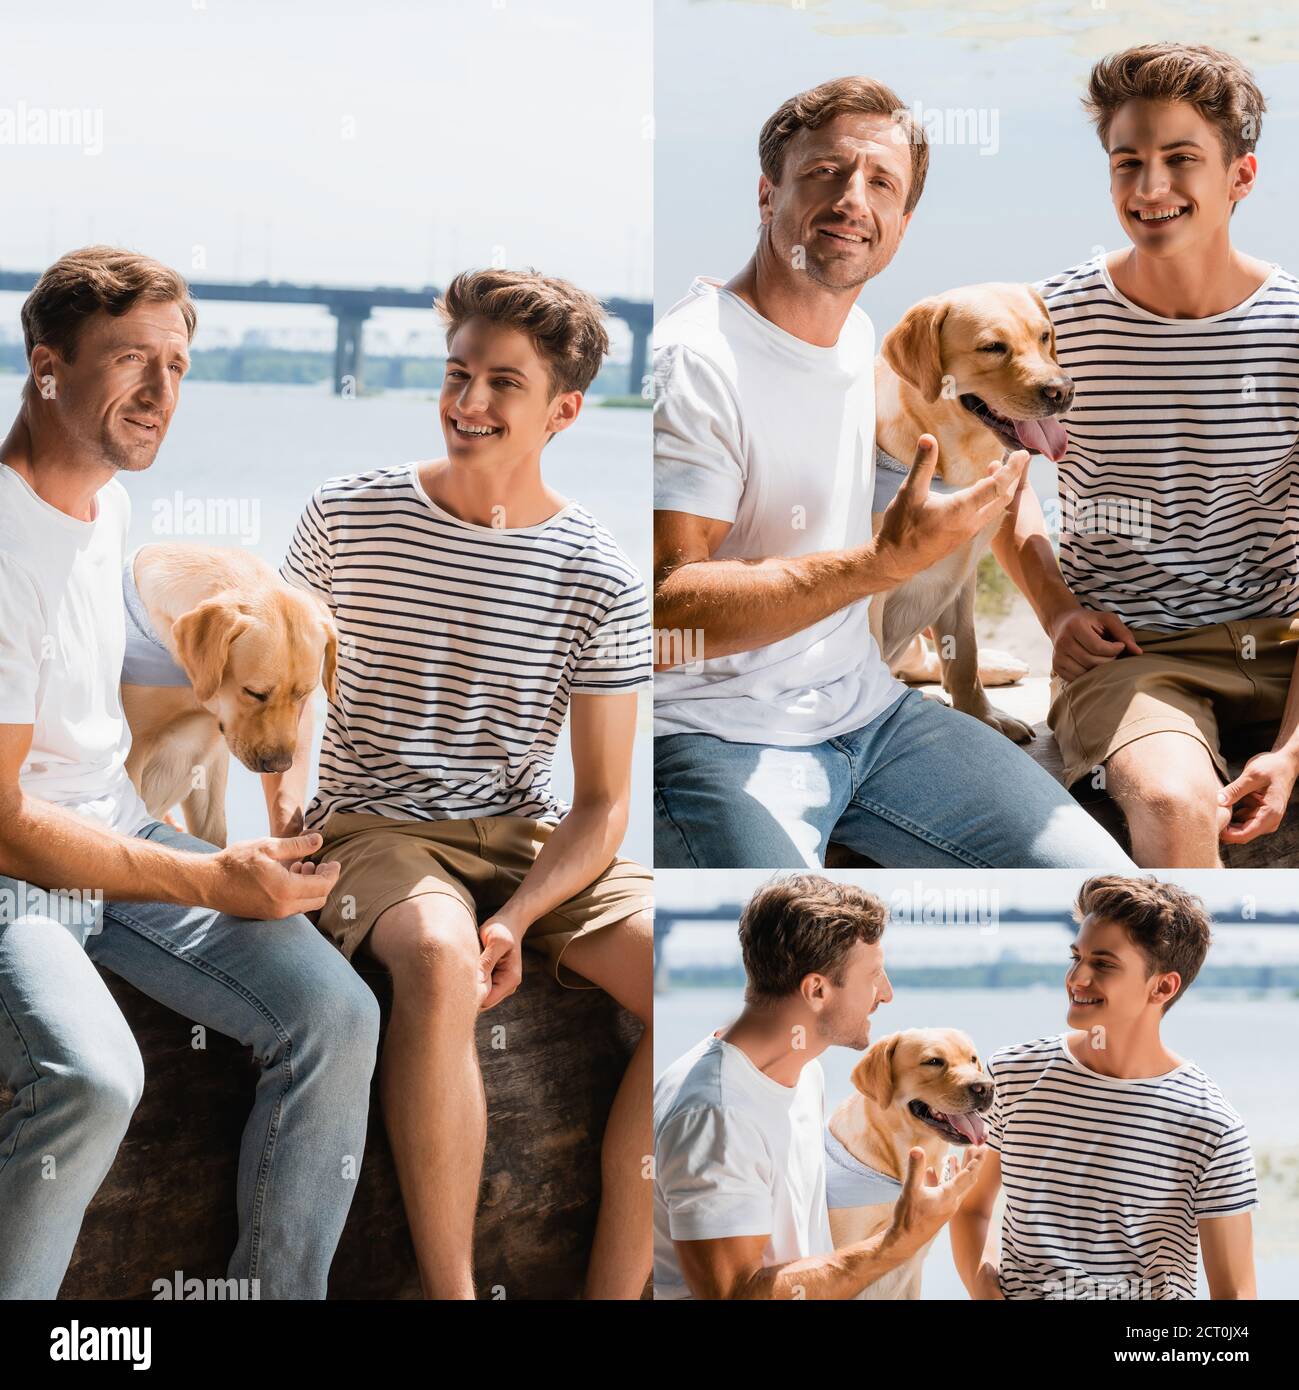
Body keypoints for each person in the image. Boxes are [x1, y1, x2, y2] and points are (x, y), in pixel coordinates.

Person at [0, 246, 379, 1300]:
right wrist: (213, 879)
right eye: (132, 361)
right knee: (91, 1079)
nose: (163, 392)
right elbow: (6, 822)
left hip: (115, 838)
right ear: (46, 368)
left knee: (340, 1016)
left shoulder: (106, 509)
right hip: (16, 874)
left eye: (178, 364)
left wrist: (252, 832)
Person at [272, 268, 654, 1299]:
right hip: (371, 829)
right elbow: (282, 703)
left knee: (698, 974)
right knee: (439, 960)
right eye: (456, 375)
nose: (468, 404)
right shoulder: (344, 517)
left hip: (523, 840)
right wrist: (284, 824)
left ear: (565, 411)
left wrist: (525, 915)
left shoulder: (602, 573)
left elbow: (605, 802)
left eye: (502, 384)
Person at [652, 75, 1135, 871]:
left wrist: (1041, 600)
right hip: (716, 735)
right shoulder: (694, 363)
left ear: (902, 225)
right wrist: (877, 564)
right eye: (824, 173)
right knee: (780, 955)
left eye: (881, 183)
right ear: (767, 192)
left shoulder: (862, 338)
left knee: (1107, 893)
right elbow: (666, 611)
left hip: (875, 713)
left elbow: (942, 501)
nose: (852, 199)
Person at [994, 43, 1299, 867]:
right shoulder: (1048, 320)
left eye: (1180, 160)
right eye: (1127, 162)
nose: (1149, 187)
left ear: (1240, 177)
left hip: (1283, 647)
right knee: (1168, 800)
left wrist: (1291, 748)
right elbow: (998, 479)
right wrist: (1054, 607)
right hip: (1136, 660)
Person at [653, 873, 985, 1299]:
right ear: (816, 990)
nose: (886, 994)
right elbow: (735, 1294)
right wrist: (898, 1240)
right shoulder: (716, 1115)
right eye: (874, 977)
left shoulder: (801, 1069)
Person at [951, 874, 1258, 1300]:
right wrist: (982, 1284)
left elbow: (1236, 1293)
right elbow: (971, 1206)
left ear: (1163, 986)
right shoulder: (1010, 1074)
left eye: (1104, 964)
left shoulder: (1212, 1126)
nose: (1077, 978)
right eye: (1076, 957)